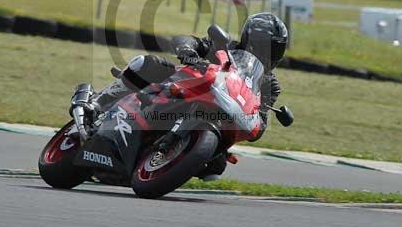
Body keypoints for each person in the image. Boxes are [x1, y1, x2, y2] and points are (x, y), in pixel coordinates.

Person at [74, 12, 288, 143]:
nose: (267, 51)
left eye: (274, 48)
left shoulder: (269, 84)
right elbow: (190, 40)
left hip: (220, 119)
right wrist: (188, 49)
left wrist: (258, 122)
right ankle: (96, 105)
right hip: (183, 89)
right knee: (147, 64)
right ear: (249, 37)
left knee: (216, 166)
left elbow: (260, 120)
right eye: (263, 44)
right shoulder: (227, 47)